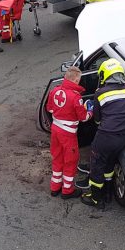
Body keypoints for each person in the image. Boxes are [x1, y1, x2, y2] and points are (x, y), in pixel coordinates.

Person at [80, 58, 125, 209]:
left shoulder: (100, 93)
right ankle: (109, 193)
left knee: (97, 165)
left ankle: (96, 199)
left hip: (106, 136)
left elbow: (97, 120)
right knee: (109, 163)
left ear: (105, 75)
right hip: (123, 137)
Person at [46, 66, 94, 199]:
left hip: (55, 129)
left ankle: (55, 187)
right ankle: (67, 191)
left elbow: (50, 109)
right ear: (76, 80)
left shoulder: (54, 91)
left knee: (57, 158)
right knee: (70, 161)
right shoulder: (76, 97)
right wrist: (90, 110)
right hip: (68, 133)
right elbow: (84, 117)